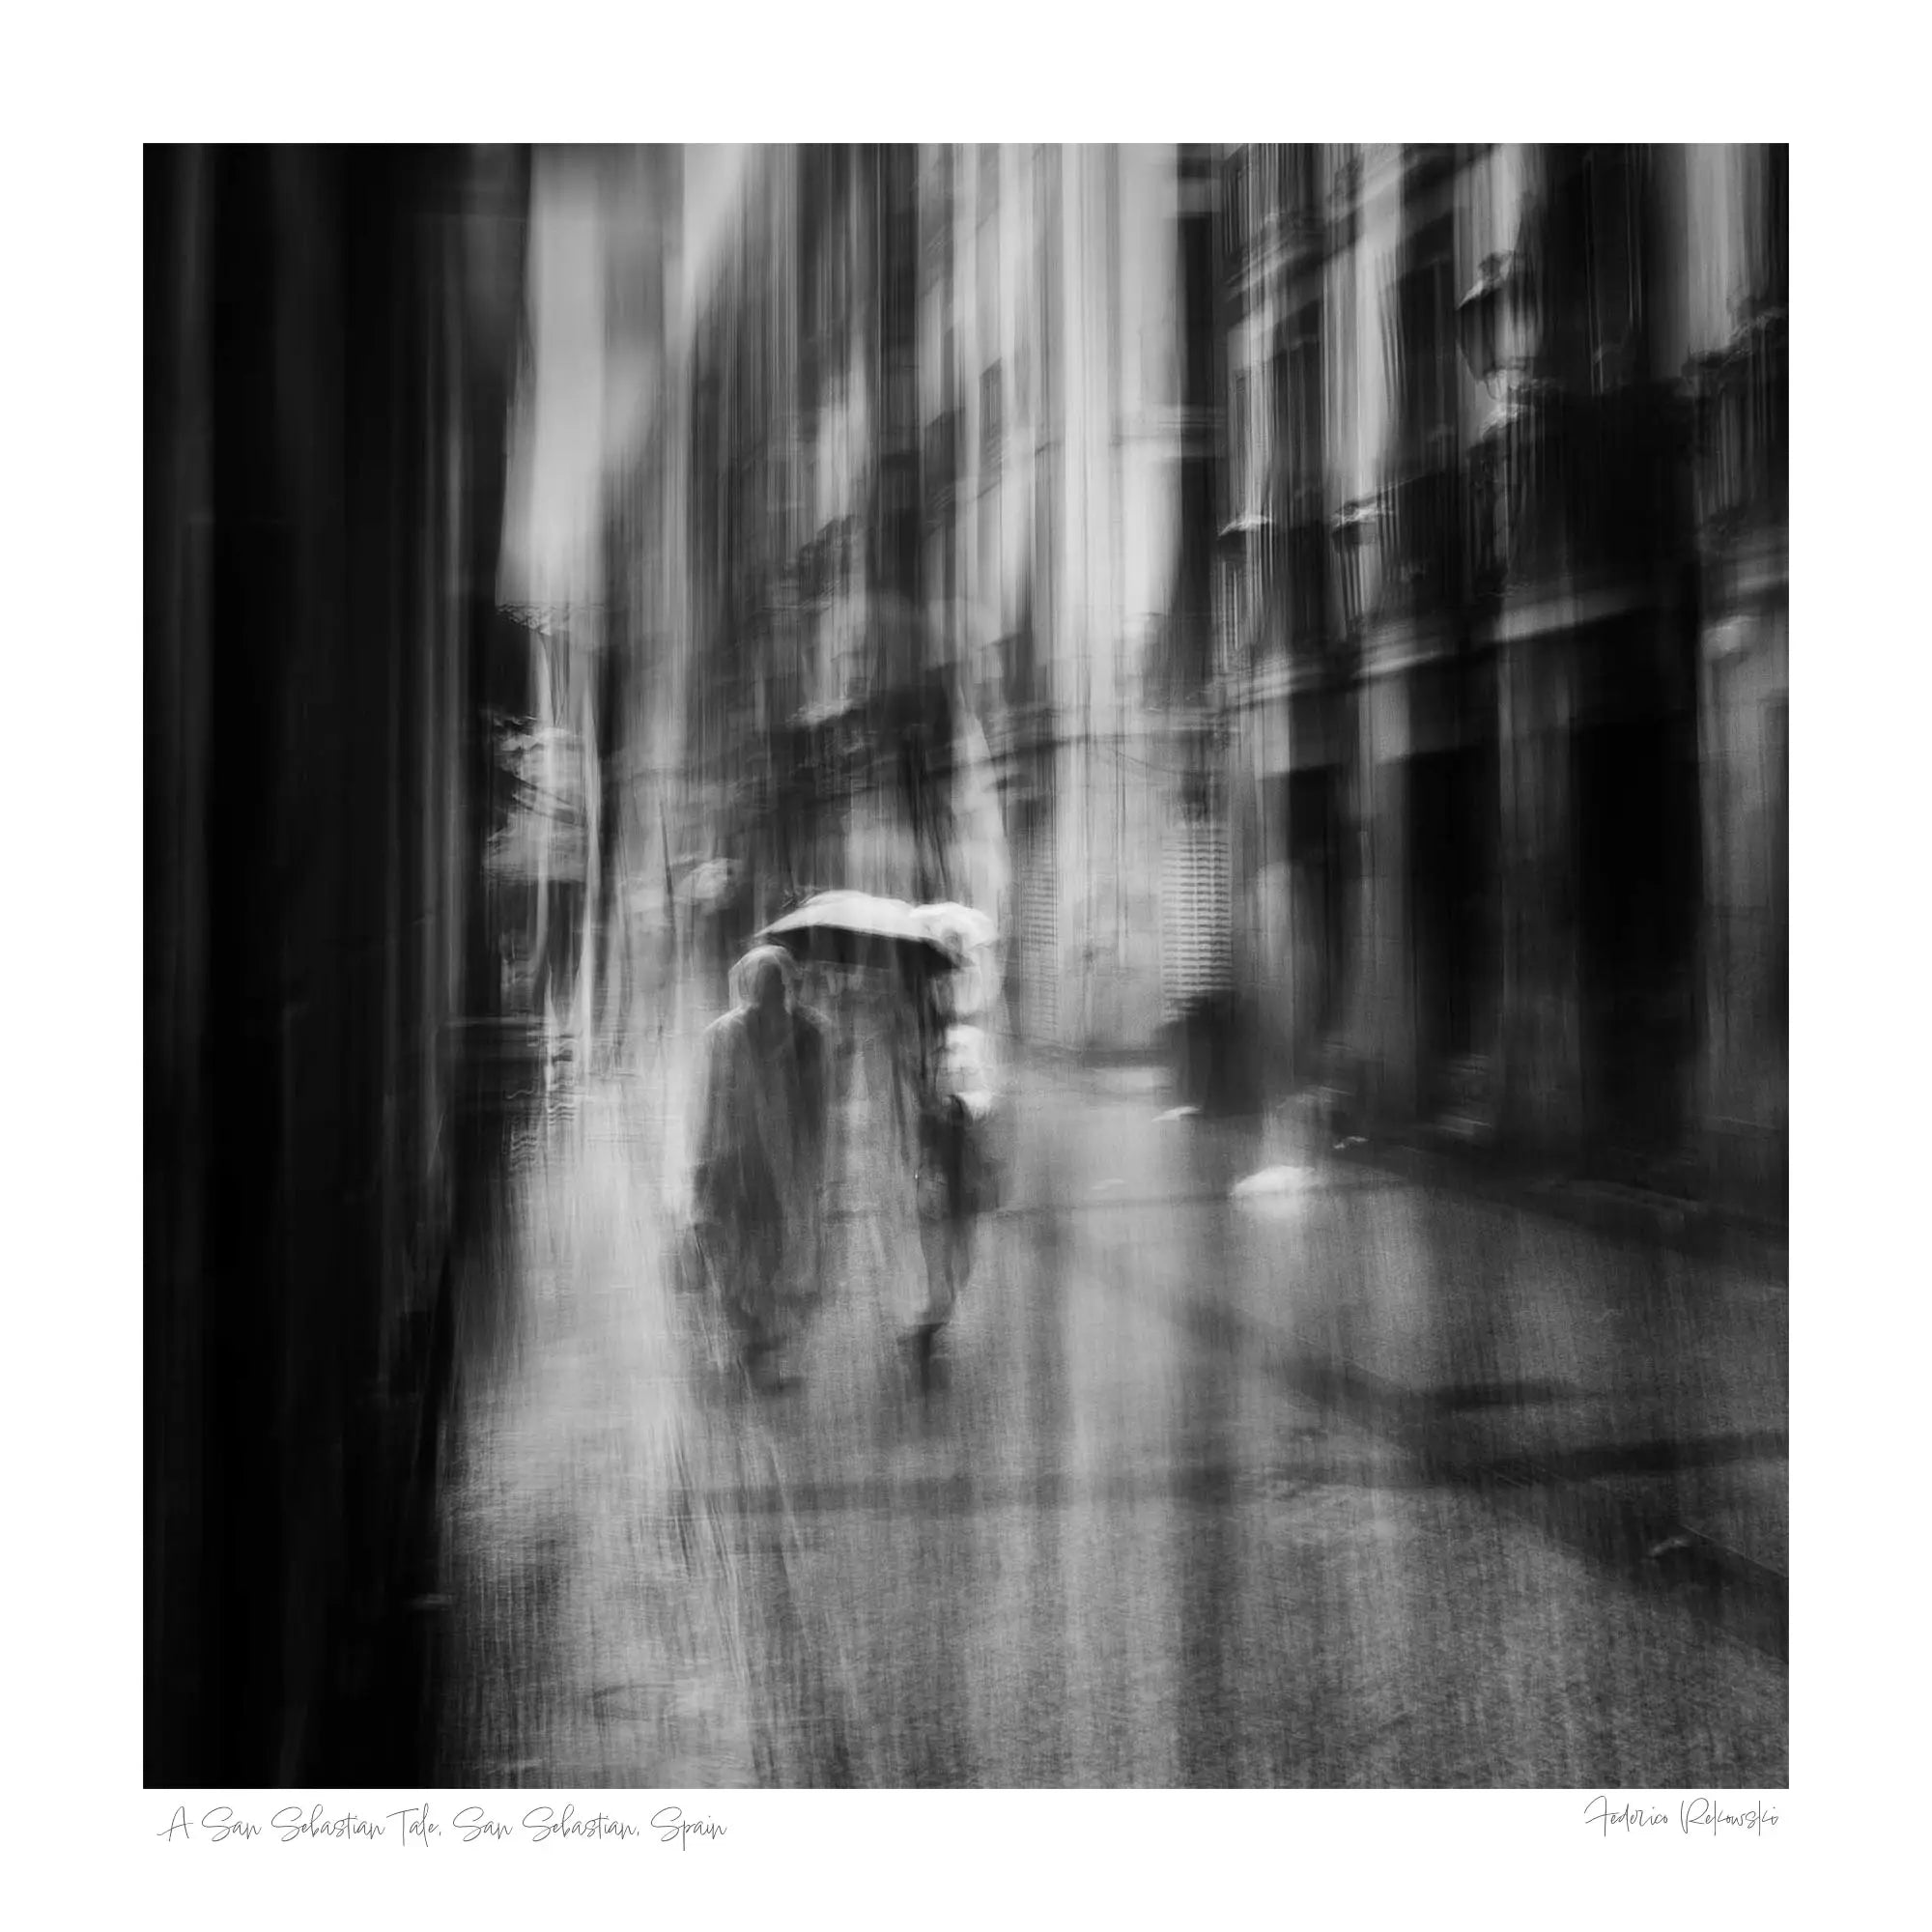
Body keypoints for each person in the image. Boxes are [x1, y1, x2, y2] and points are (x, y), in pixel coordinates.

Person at [689, 945, 831, 1387]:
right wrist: (703, 1163)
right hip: (733, 1163)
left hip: (777, 1165)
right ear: (749, 988)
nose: (774, 994)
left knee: (771, 1254)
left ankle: (756, 1346)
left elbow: (816, 1107)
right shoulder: (723, 1036)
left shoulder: (806, 1033)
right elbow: (708, 1102)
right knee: (735, 1256)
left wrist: (816, 1165)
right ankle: (749, 1347)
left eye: (781, 986)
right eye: (766, 986)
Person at [906, 944, 1001, 1391]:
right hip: (931, 1168)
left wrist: (954, 1105)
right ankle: (929, 1328)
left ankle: (933, 1318)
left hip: (965, 1161)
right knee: (936, 1261)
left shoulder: (968, 1044)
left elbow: (987, 1097)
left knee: (963, 1262)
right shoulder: (907, 1057)